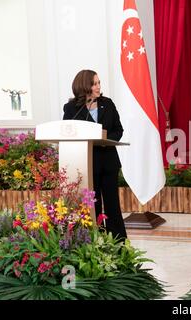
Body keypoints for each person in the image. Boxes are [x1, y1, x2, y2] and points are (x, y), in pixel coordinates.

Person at [63, 69, 127, 241]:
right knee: (93, 205)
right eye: (94, 83)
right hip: (87, 165)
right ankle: (96, 241)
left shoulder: (108, 103)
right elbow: (67, 132)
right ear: (84, 86)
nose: (98, 86)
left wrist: (104, 138)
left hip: (108, 163)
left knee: (113, 205)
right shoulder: (71, 109)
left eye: (99, 83)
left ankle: (119, 243)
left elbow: (118, 130)